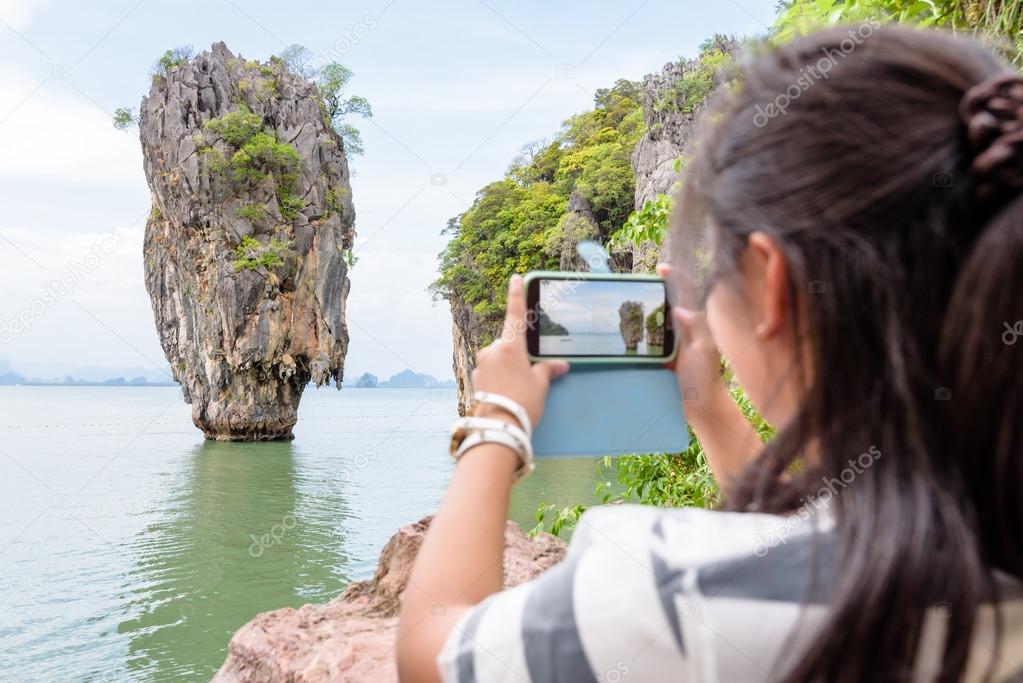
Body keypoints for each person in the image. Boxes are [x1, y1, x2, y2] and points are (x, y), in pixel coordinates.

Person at [397, 24, 1023, 682]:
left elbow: (429, 650)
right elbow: (815, 538)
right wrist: (708, 404)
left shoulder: (666, 592)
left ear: (771, 281)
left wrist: (495, 421)